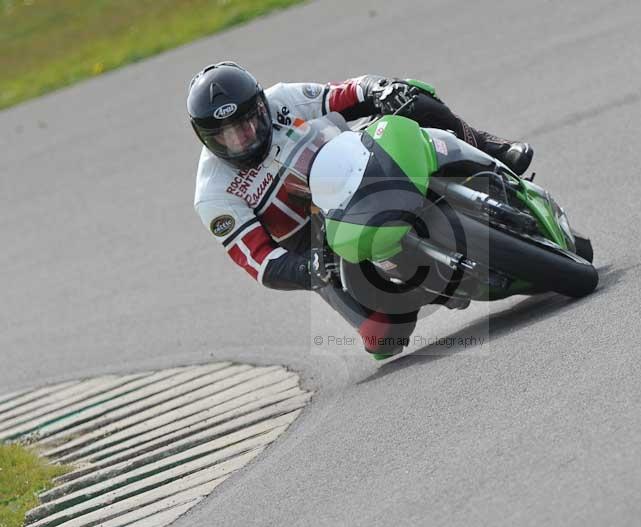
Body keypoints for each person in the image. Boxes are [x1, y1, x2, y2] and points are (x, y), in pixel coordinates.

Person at [188, 61, 533, 359]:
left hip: (358, 171)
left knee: (410, 94)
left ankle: (491, 149)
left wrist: (379, 90)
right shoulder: (214, 193)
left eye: (249, 121)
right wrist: (308, 268)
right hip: (319, 244)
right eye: (226, 136)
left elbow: (347, 93)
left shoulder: (284, 99)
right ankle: (412, 286)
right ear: (205, 137)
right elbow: (258, 260)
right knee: (385, 337)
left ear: (262, 105)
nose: (244, 138)